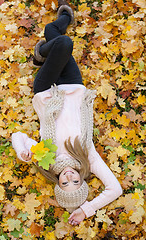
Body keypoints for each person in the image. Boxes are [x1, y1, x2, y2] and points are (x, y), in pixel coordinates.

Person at [12, 0, 123, 226]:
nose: (70, 178)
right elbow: (115, 189)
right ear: (82, 180)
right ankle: (53, 36)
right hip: (73, 87)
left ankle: (45, 50)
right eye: (76, 182)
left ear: (58, 182)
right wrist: (86, 209)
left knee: (62, 42)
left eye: (65, 183)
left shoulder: (46, 158)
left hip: (46, 91)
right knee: (55, 35)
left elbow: (18, 136)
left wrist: (22, 150)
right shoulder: (88, 158)